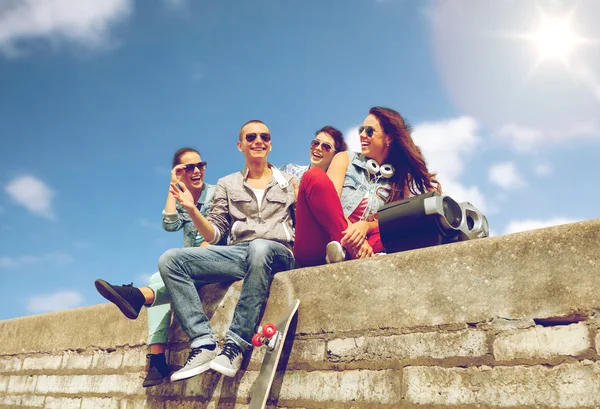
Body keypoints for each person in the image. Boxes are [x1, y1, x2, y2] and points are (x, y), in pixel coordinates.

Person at [122, 120, 296, 382]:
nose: (258, 140)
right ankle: (203, 343)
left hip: (278, 252)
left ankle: (236, 344)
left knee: (260, 247)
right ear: (240, 145)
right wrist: (192, 209)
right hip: (241, 253)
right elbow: (214, 233)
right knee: (169, 260)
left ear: (270, 144)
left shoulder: (289, 181)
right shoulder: (228, 184)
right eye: (251, 137)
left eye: (264, 136)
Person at [94, 147, 225, 387]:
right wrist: (172, 186)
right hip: (190, 264)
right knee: (157, 276)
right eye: (188, 168)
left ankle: (154, 352)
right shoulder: (182, 194)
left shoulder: (217, 192)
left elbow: (215, 234)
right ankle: (156, 356)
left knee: (158, 278)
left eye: (200, 165)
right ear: (180, 172)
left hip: (215, 259)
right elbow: (169, 224)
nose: (196, 171)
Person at [293, 107, 441, 267]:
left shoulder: (398, 179)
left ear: (388, 137)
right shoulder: (344, 158)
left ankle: (342, 253)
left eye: (369, 131)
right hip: (321, 242)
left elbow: (392, 220)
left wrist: (366, 226)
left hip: (364, 243)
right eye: (361, 130)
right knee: (313, 177)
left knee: (409, 221)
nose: (362, 135)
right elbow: (329, 208)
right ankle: (348, 250)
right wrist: (355, 243)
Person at [279, 125, 348, 180]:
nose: (318, 148)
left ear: (336, 155)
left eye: (326, 146)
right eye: (316, 143)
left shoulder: (338, 186)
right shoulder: (289, 171)